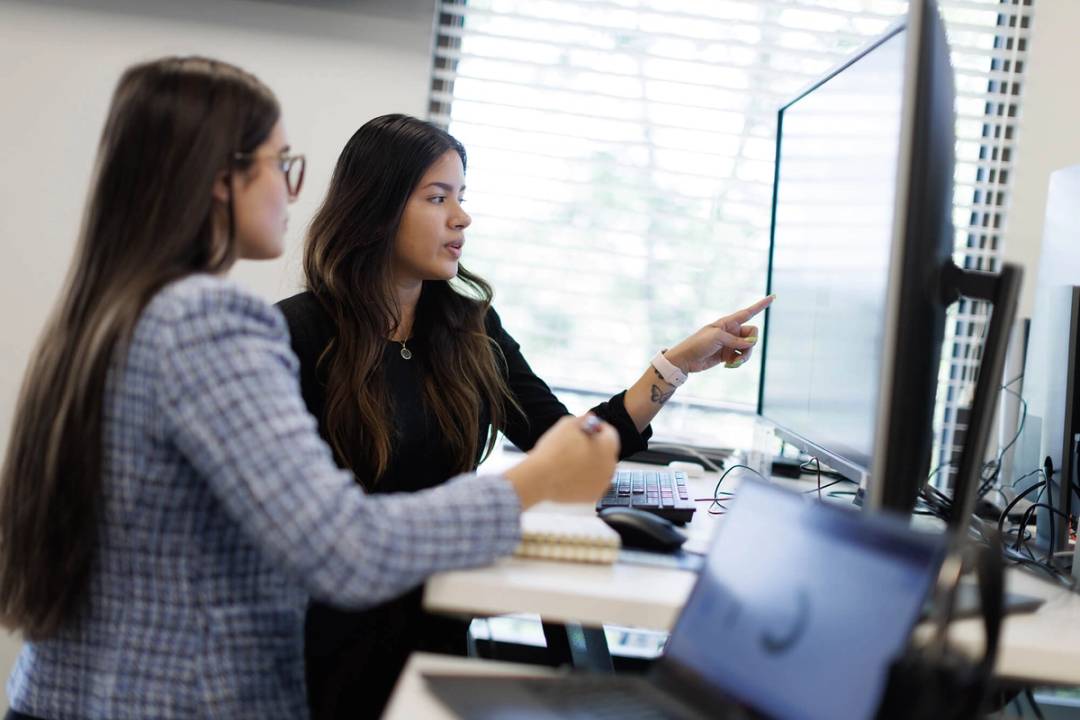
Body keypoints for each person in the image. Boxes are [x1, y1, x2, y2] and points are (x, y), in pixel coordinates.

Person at [0, 58, 621, 720]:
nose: (292, 191)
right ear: (220, 180)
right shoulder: (206, 322)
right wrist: (533, 482)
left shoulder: (108, 312)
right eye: (280, 163)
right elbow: (343, 547)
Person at [277, 113, 773, 719]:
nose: (462, 217)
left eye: (462, 197)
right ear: (375, 209)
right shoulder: (297, 336)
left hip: (436, 622)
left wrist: (673, 368)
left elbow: (561, 443)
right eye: (438, 198)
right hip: (335, 644)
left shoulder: (467, 326)